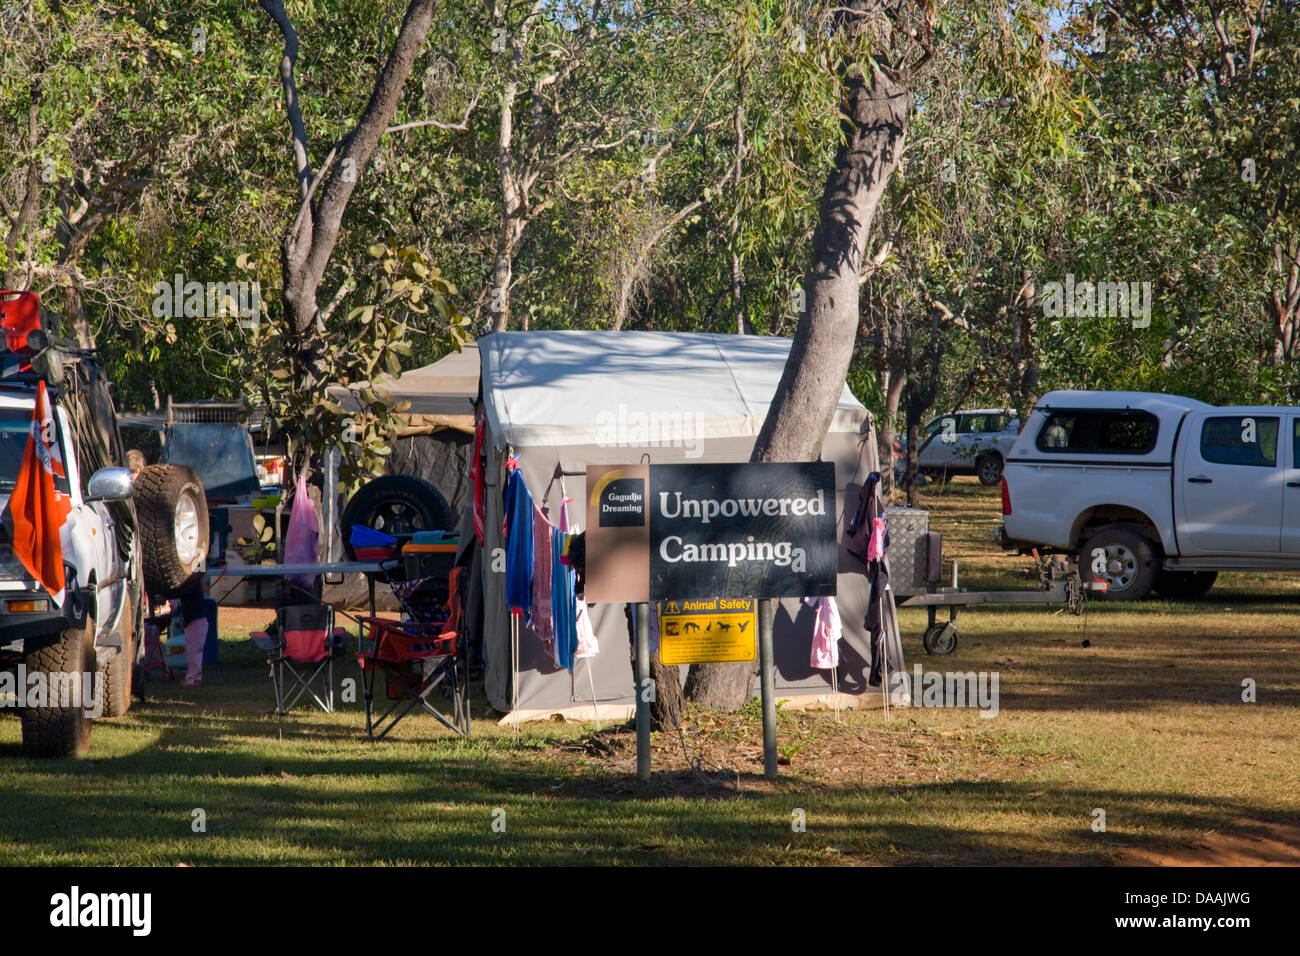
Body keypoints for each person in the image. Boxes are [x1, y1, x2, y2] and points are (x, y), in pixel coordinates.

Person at [176, 579, 208, 687]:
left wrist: (185, 622)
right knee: (194, 653)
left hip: (195, 623)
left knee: (193, 654)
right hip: (197, 622)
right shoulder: (194, 587)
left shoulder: (189, 589)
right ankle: (195, 678)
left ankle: (192, 679)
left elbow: (190, 610)